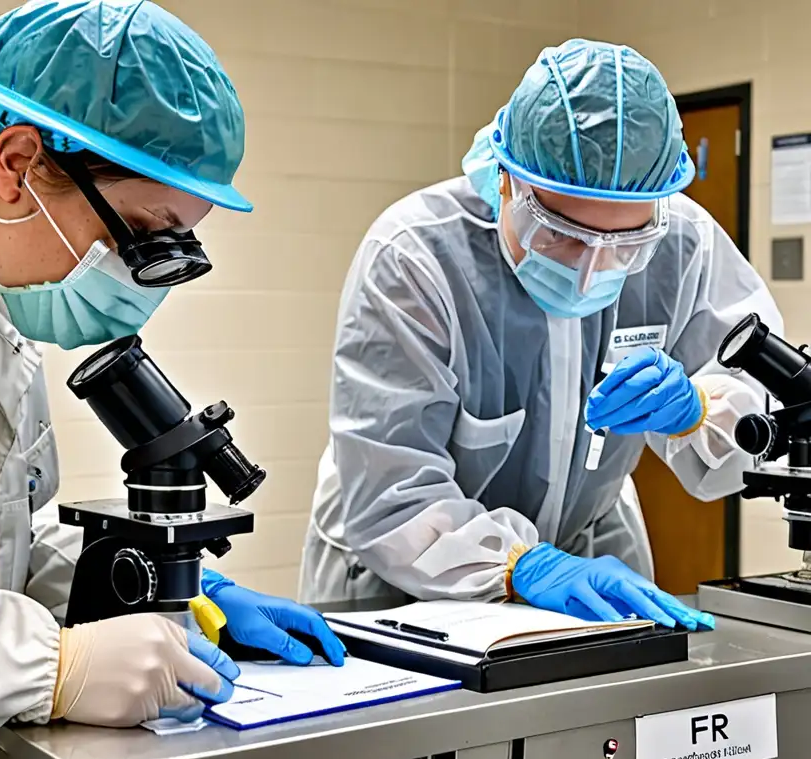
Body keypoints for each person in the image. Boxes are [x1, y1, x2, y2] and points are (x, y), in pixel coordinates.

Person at [0, 2, 344, 759]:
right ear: (16, 164)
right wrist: (50, 668)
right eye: (143, 235)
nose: (145, 276)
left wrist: (170, 591)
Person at [299, 39, 783, 629]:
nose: (590, 270)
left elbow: (765, 416)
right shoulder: (415, 259)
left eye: (623, 245)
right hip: (409, 570)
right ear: (506, 181)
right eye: (560, 233)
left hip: (592, 551)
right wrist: (524, 566)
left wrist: (700, 410)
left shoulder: (682, 244)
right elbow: (393, 489)